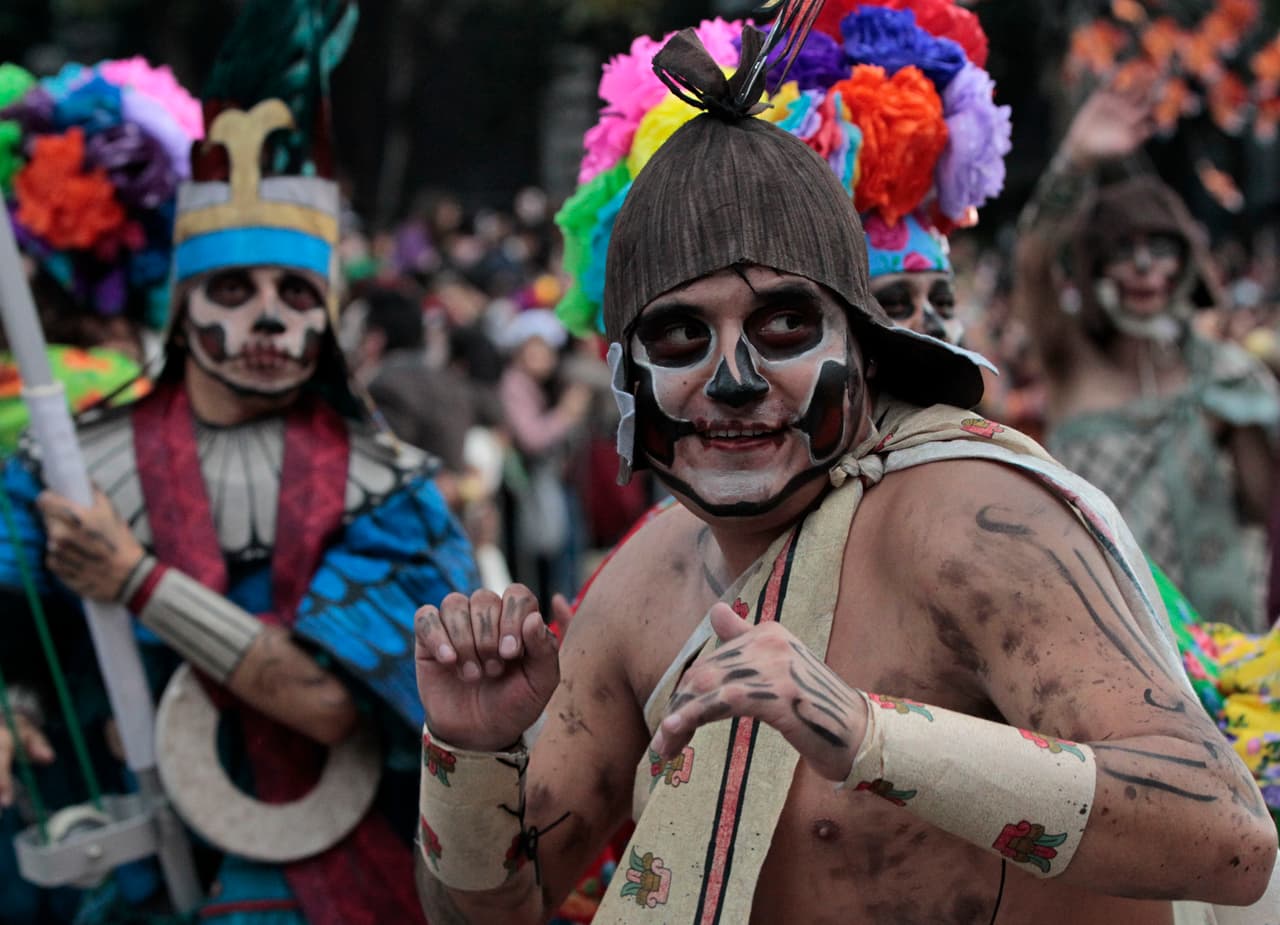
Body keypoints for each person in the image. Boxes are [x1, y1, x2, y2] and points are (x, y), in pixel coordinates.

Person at [411, 17, 1276, 925]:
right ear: (628, 380)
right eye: (680, 336)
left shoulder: (970, 522)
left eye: (785, 326)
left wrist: (866, 733)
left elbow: (1228, 836)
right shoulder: (635, 588)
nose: (735, 382)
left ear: (864, 353)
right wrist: (470, 753)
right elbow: (484, 912)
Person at [0, 3, 477, 922]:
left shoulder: (390, 488)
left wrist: (135, 577)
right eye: (234, 288)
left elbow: (337, 705)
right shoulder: (62, 466)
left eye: (296, 292)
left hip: (321, 879)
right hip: (124, 861)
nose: (268, 317)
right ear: (182, 309)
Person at [1016, 83, 1279, 633]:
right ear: (1092, 268)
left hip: (1226, 648)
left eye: (1160, 248)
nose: (1143, 268)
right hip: (1112, 641)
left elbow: (1265, 513)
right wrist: (1076, 160)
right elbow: (1034, 261)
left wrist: (1241, 419)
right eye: (1120, 251)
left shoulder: (1223, 376)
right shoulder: (1071, 360)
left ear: (1185, 261)